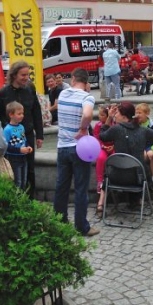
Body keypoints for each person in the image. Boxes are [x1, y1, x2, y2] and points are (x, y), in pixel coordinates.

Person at [54, 68, 99, 237]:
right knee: (81, 188)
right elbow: (87, 114)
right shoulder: (87, 97)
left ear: (73, 79)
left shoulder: (64, 94)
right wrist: (83, 129)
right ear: (86, 82)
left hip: (62, 147)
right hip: (80, 148)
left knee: (61, 186)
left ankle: (59, 221)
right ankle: (82, 226)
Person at [0, 61, 44, 198]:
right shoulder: (3, 93)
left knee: (30, 168)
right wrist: (7, 127)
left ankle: (30, 199)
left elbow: (36, 112)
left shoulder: (30, 89)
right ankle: (13, 198)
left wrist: (40, 135)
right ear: (14, 75)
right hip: (10, 137)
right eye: (23, 75)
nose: (26, 78)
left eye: (28, 74)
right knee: (13, 169)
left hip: (26, 135)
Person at [99, 101, 153, 179]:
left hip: (117, 176)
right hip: (138, 177)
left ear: (124, 117)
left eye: (117, 113)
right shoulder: (143, 130)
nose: (115, 115)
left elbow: (102, 136)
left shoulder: (116, 129)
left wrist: (109, 118)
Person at [2, 101, 33, 190]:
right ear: (11, 115)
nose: (22, 115)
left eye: (22, 113)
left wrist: (28, 146)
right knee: (17, 182)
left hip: (23, 157)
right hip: (14, 158)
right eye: (19, 114)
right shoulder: (7, 129)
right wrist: (19, 150)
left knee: (24, 181)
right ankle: (16, 201)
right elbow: (6, 146)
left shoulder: (21, 127)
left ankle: (22, 200)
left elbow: (24, 140)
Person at [93, 106, 114, 215]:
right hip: (103, 148)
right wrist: (102, 146)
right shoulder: (97, 126)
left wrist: (113, 146)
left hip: (113, 148)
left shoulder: (115, 125)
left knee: (115, 157)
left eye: (102, 115)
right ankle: (100, 181)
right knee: (101, 158)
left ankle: (114, 178)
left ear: (108, 116)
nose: (99, 116)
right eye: (99, 114)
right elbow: (96, 138)